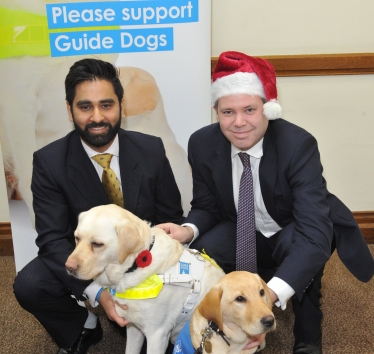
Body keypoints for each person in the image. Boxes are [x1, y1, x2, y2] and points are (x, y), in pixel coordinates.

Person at [158, 51, 374, 354]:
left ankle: (308, 334)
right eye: (227, 112)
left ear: (267, 110)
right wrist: (187, 230)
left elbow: (314, 234)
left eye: (249, 110)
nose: (239, 122)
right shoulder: (202, 143)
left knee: (298, 248)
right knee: (204, 248)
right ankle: (221, 323)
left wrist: (267, 297)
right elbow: (206, 206)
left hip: (293, 227)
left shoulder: (297, 145)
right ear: (216, 112)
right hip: (242, 227)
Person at [13, 58, 184, 354]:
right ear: (69, 110)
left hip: (141, 262)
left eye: (106, 105)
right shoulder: (49, 162)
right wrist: (100, 294)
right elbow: (53, 240)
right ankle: (84, 325)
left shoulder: (152, 149)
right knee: (30, 285)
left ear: (121, 106)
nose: (97, 117)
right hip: (84, 260)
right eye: (84, 107)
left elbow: (169, 220)